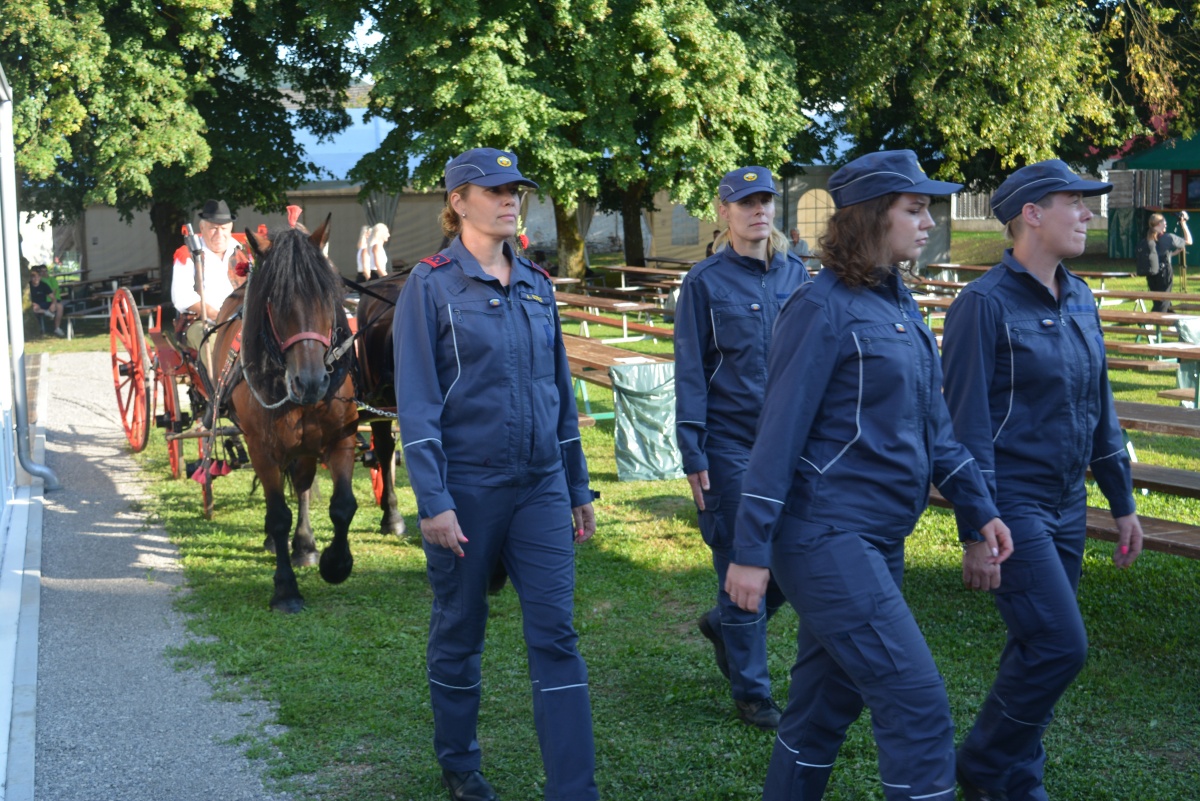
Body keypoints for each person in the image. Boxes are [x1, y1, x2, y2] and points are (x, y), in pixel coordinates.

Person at [724, 149, 1012, 801]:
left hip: (880, 539)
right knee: (915, 700)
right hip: (824, 535)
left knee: (823, 707)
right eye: (914, 209)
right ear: (871, 217)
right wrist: (749, 552)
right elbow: (777, 435)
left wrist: (979, 507)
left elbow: (937, 427)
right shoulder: (818, 307)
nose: (929, 222)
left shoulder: (903, 307)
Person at [393, 147, 598, 801]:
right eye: (495, 189)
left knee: (557, 634)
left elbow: (559, 393)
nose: (511, 198)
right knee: (460, 624)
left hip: (540, 485)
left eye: (516, 190)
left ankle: (574, 787)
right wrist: (434, 500)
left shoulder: (538, 285)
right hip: (468, 489)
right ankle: (458, 759)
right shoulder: (429, 285)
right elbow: (418, 402)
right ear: (457, 202)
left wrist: (576, 483)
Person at [941, 159, 1144, 801]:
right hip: (1012, 504)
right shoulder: (982, 305)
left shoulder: (1080, 295)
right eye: (1075, 203)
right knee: (1061, 645)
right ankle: (980, 764)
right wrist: (975, 525)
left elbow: (1099, 405)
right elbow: (963, 427)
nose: (1089, 214)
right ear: (1031, 214)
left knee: (1035, 644)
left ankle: (1015, 781)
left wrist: (1122, 501)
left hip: (1066, 502)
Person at [674, 166, 810, 730]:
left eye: (766, 202)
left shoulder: (798, 275)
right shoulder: (704, 282)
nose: (758, 211)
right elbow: (690, 370)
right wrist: (693, 451)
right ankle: (753, 692)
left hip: (793, 444)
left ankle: (724, 621)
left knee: (794, 558)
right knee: (740, 558)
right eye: (745, 202)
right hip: (731, 445)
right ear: (723, 211)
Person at [170, 199, 246, 365]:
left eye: (224, 228)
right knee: (212, 345)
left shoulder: (243, 252)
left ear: (231, 228)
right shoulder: (187, 254)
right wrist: (217, 315)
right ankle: (216, 389)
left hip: (241, 320)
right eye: (213, 228)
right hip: (200, 321)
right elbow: (182, 298)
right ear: (202, 228)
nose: (219, 234)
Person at [1137, 211, 1193, 312]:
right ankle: (1147, 321)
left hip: (1151, 275)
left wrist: (1174, 253)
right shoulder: (1168, 237)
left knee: (1161, 302)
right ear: (1159, 224)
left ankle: (1175, 324)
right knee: (1163, 303)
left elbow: (1158, 255)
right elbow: (1189, 241)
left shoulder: (1147, 238)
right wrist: (1183, 223)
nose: (1166, 224)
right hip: (1164, 274)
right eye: (1164, 222)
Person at [29, 266, 65, 336]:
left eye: (38, 277)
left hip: (43, 303)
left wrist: (53, 304)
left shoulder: (44, 285)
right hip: (33, 304)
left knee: (59, 306)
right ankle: (46, 312)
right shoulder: (28, 286)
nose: (36, 279)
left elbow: (53, 297)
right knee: (34, 307)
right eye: (34, 277)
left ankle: (57, 328)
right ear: (31, 278)